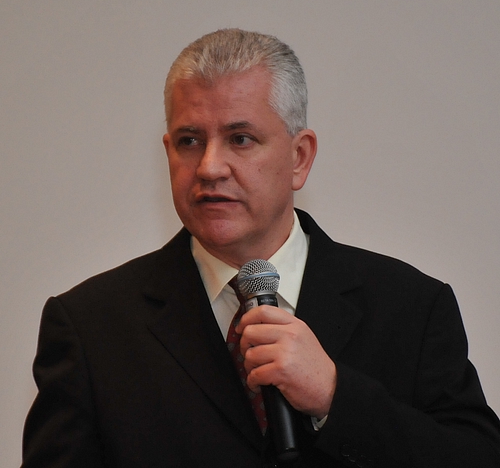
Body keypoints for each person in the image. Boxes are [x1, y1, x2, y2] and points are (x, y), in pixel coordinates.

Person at [22, 28, 500, 468]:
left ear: (299, 157)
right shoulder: (90, 327)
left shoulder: (412, 307)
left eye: (240, 138)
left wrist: (336, 397)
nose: (209, 167)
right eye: (190, 140)